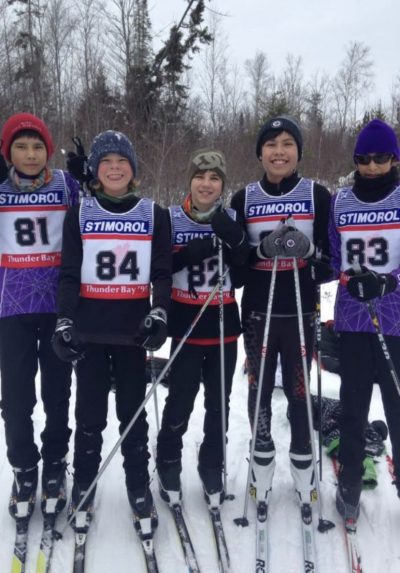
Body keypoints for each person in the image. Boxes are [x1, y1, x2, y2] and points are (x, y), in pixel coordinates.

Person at [52, 130, 172, 531]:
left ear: (133, 169)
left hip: (132, 334)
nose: (115, 168)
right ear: (96, 171)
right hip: (89, 331)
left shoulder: (153, 214)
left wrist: (159, 311)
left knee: (133, 417)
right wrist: (64, 319)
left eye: (122, 161)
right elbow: (69, 273)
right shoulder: (80, 213)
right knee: (88, 416)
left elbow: (161, 273)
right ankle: (83, 483)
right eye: (107, 162)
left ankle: (138, 485)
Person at [228, 116, 332, 506]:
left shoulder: (317, 196)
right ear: (260, 153)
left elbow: (330, 264)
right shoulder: (244, 199)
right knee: (258, 388)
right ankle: (262, 457)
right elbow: (236, 270)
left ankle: (304, 461)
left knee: (298, 390)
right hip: (259, 313)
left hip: (302, 312)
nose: (279, 151)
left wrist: (307, 252)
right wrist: (259, 251)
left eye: (287, 143)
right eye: (271, 144)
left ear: (298, 152)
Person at [156, 148, 249, 506]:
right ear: (190, 180)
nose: (206, 184)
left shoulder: (230, 217)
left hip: (223, 324)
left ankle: (212, 462)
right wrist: (189, 254)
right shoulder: (170, 217)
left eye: (214, 178)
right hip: (185, 324)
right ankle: (167, 458)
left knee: (218, 402)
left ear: (222, 184)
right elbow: (158, 268)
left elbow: (241, 275)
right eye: (200, 176)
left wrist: (237, 242)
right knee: (180, 398)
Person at [0, 112, 80, 521]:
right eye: (21, 146)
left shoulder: (66, 185)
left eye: (37, 146)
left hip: (56, 307)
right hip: (10, 308)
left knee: (56, 394)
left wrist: (91, 182)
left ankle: (54, 463)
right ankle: (24, 467)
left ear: (48, 150)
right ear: (8, 151)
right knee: (15, 398)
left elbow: (104, 212)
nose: (30, 155)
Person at [329, 118, 400, 520]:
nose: (372, 166)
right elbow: (333, 258)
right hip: (353, 318)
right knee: (353, 405)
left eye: (381, 158)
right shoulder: (340, 202)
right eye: (364, 159)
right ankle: (351, 479)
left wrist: (388, 282)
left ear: (393, 159)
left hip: (395, 319)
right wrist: (345, 284)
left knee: (396, 405)